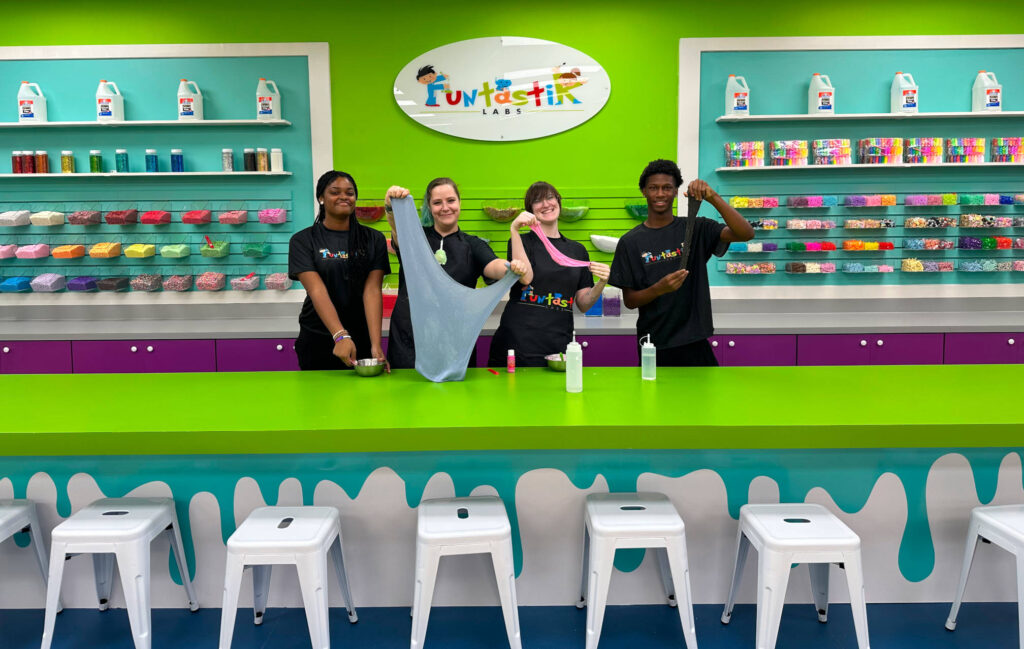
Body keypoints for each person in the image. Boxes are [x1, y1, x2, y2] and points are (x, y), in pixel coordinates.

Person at [609, 159, 755, 367]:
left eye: (667, 188)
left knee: (705, 389)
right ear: (644, 191)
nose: (660, 194)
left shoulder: (696, 229)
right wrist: (659, 289)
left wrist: (712, 197)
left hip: (695, 340)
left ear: (676, 191)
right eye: (654, 188)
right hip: (654, 343)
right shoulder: (630, 242)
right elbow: (630, 301)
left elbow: (746, 233)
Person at [383, 178, 526, 369]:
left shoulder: (473, 245)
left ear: (459, 203)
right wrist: (390, 206)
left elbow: (494, 266)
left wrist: (511, 266)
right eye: (437, 202)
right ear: (429, 207)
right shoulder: (417, 238)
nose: (445, 207)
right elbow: (397, 230)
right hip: (410, 339)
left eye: (450, 200)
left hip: (455, 342)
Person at [488, 181, 610, 367]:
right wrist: (514, 229)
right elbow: (525, 277)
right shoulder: (521, 241)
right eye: (537, 201)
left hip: (558, 343)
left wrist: (601, 282)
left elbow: (583, 304)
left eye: (550, 197)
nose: (546, 204)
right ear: (530, 210)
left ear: (558, 202)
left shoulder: (577, 250)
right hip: (517, 342)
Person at [288, 170, 391, 370]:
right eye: (335, 192)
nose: (344, 197)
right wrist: (340, 335)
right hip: (318, 337)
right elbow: (316, 290)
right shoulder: (303, 240)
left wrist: (376, 345)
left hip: (360, 338)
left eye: (349, 193)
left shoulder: (373, 239)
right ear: (321, 198)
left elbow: (372, 291)